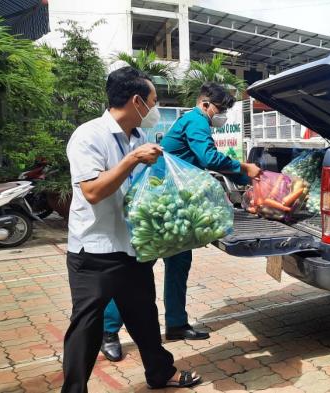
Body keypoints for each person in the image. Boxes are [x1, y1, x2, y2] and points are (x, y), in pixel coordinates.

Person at [100, 81, 260, 361]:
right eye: (219, 109)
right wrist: (244, 169)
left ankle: (176, 324)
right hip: (163, 203)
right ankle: (108, 331)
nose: (220, 115)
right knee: (136, 270)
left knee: (179, 263)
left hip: (181, 202)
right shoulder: (197, 120)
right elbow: (207, 156)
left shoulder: (194, 119)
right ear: (205, 104)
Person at [63, 66, 200, 392]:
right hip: (94, 249)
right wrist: (132, 161)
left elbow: (141, 187)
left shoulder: (138, 137)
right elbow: (93, 192)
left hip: (131, 245)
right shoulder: (89, 135)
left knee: (143, 315)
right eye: (153, 101)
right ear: (137, 101)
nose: (154, 110)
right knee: (86, 325)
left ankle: (159, 373)